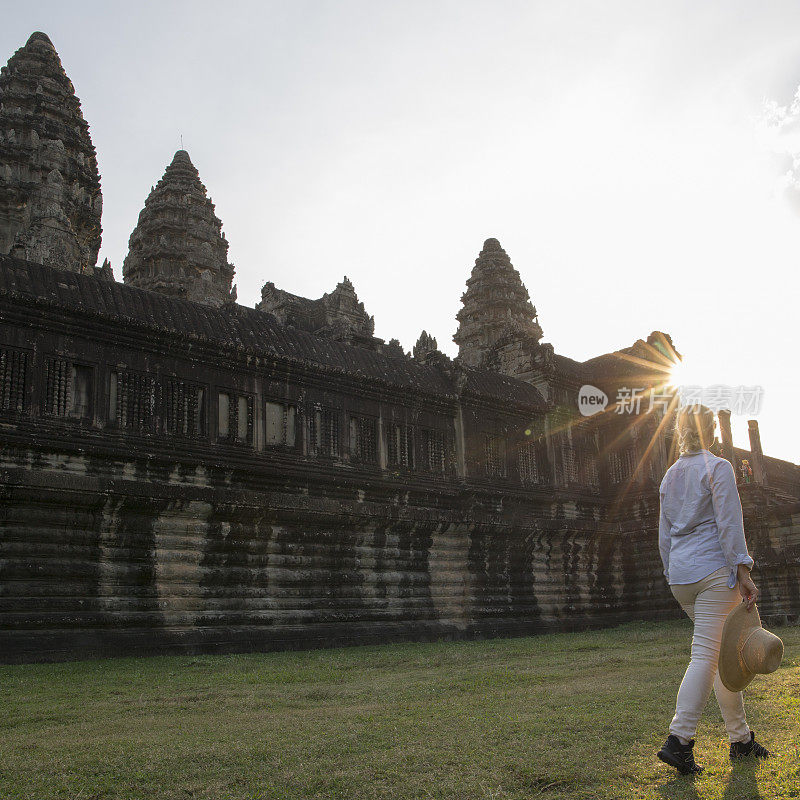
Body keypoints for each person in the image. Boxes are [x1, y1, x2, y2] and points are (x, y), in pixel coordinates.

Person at [656, 404, 770, 775]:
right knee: (706, 656)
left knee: (723, 655)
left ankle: (740, 739)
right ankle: (679, 739)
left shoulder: (670, 475)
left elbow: (664, 535)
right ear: (713, 431)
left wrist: (672, 571)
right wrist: (743, 570)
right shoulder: (718, 467)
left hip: (681, 577)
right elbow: (729, 522)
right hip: (713, 573)